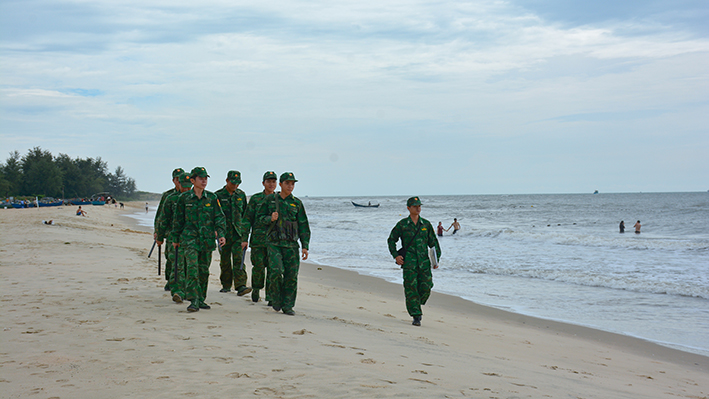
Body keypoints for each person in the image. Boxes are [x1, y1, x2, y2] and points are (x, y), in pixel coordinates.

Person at [169, 167, 227, 312]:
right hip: (189, 239)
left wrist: (221, 234)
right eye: (201, 178)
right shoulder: (184, 198)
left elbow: (219, 217)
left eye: (205, 178)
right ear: (193, 180)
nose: (204, 181)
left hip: (207, 240)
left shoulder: (212, 198)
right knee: (192, 270)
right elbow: (178, 220)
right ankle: (193, 299)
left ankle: (201, 299)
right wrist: (175, 238)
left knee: (203, 271)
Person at [256, 172, 310, 315]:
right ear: (280, 184)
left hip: (291, 245)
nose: (290, 186)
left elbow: (303, 225)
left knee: (291, 276)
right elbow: (259, 218)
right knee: (275, 271)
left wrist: (305, 246)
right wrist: (270, 219)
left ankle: (288, 305)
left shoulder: (297, 203)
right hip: (274, 243)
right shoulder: (270, 200)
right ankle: (276, 299)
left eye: (292, 184)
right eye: (287, 183)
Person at [387, 197, 441, 327]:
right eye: (415, 206)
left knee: (426, 287)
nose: (418, 208)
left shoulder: (426, 225)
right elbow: (391, 240)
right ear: (408, 208)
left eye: (419, 206)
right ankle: (416, 315)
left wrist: (436, 259)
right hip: (409, 263)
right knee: (411, 289)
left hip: (424, 263)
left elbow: (434, 244)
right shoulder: (403, 224)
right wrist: (396, 256)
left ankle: (417, 303)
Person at [155, 172, 192, 303]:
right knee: (176, 264)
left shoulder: (196, 198)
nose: (187, 190)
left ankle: (187, 290)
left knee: (189, 265)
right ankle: (177, 290)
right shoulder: (170, 198)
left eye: (189, 187)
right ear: (178, 183)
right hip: (174, 237)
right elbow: (162, 218)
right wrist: (159, 235)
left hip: (191, 239)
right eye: (184, 186)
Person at [242, 171, 278, 303]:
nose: (271, 184)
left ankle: (270, 296)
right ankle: (256, 289)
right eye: (268, 181)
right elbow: (247, 219)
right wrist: (244, 238)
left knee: (273, 269)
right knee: (258, 267)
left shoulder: (279, 199)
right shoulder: (256, 199)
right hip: (258, 239)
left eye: (273, 181)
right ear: (263, 183)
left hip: (274, 241)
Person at [215, 171, 251, 296]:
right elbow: (214, 215)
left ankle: (241, 285)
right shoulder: (218, 195)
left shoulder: (241, 195)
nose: (235, 186)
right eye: (233, 183)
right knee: (225, 260)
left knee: (238, 259)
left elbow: (245, 216)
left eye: (237, 183)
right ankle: (226, 285)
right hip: (223, 234)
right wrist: (216, 231)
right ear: (227, 180)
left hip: (238, 234)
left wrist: (245, 235)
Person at [154, 168, 185, 291]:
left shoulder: (189, 194)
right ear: (173, 180)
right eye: (177, 179)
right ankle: (170, 279)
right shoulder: (168, 196)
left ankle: (175, 282)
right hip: (170, 232)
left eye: (180, 178)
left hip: (185, 234)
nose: (179, 181)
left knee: (179, 259)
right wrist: (158, 231)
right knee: (171, 257)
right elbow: (161, 214)